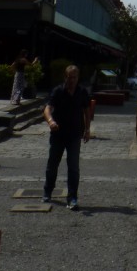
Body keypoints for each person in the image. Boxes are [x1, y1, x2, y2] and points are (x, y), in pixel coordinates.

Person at [42, 65, 92, 210]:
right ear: (65, 77)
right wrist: (50, 121)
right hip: (58, 134)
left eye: (74, 77)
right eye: (69, 77)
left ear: (78, 78)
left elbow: (87, 111)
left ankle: (72, 198)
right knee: (52, 165)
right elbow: (47, 109)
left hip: (75, 134)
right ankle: (47, 191)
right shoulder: (58, 91)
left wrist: (87, 129)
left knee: (73, 167)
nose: (71, 80)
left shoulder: (82, 92)